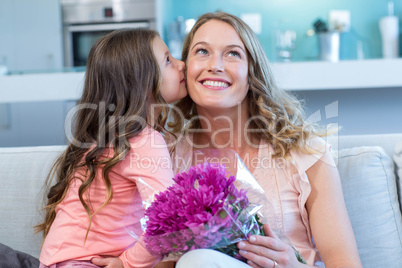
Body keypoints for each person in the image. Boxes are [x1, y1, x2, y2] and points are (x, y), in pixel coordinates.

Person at [168, 11, 362, 268]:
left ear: (252, 73)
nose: (215, 65)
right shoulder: (166, 156)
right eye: (202, 51)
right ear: (184, 69)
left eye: (233, 53)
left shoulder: (304, 153)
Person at [35, 28, 187, 268]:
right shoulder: (146, 141)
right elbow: (169, 221)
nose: (181, 65)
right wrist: (127, 263)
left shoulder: (108, 139)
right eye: (168, 60)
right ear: (141, 81)